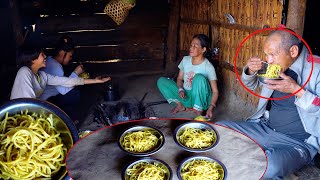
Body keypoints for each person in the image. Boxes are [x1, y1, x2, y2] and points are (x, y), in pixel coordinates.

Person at [216, 29, 320, 179]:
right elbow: (253, 85)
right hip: (264, 128)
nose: (268, 60)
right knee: (219, 129)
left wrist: (298, 91)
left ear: (293, 51)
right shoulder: (274, 66)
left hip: (298, 142)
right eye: (266, 54)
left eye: (272, 54)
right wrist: (250, 71)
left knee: (270, 166)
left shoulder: (316, 69)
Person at [10, 45, 111, 102]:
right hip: (21, 116)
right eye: (42, 54)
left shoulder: (42, 76)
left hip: (32, 112)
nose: (45, 56)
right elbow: (28, 102)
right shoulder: (24, 71)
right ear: (32, 59)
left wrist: (96, 81)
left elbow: (67, 81)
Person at [157, 34, 219, 118]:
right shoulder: (185, 60)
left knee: (199, 78)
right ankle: (180, 105)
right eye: (191, 45)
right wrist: (180, 89)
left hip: (201, 100)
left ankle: (198, 111)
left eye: (195, 46)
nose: (191, 48)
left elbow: (215, 91)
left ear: (203, 49)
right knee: (161, 81)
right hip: (186, 96)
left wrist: (211, 108)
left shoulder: (208, 66)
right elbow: (179, 79)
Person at [39, 35, 84, 119]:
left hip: (43, 98)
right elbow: (64, 91)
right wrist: (76, 72)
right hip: (48, 100)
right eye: (70, 56)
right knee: (75, 94)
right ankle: (67, 118)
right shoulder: (56, 66)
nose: (70, 59)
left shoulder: (49, 59)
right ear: (62, 53)